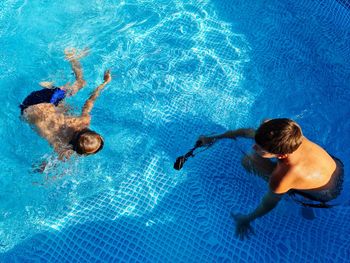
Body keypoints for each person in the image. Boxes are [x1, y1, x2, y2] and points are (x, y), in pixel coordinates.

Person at [197, 118, 344, 239]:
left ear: (281, 156)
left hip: (324, 193)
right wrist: (214, 138)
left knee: (248, 161)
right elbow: (248, 133)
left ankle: (304, 202)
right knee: (255, 151)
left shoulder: (283, 177)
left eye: (260, 148)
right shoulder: (290, 130)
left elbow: (268, 204)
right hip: (334, 166)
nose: (254, 147)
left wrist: (246, 219)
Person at [20, 48, 112, 161]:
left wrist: (105, 83)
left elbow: (90, 101)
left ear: (89, 130)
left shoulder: (83, 121)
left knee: (80, 83)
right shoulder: (62, 149)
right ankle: (51, 86)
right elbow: (47, 166)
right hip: (26, 111)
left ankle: (71, 57)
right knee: (65, 108)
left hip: (44, 101)